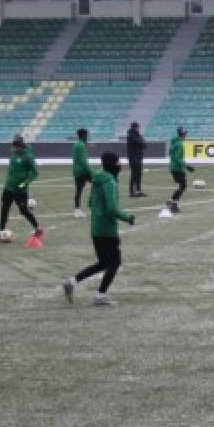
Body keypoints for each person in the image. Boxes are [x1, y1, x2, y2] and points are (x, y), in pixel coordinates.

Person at [63, 151, 135, 306]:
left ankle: (72, 281)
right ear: (112, 165)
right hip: (107, 229)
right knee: (115, 262)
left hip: (96, 227)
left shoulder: (98, 178)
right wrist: (127, 217)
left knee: (104, 263)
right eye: (117, 162)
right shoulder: (109, 181)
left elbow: (90, 202)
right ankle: (100, 295)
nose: (120, 165)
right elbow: (111, 208)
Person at [0, 135, 43, 244]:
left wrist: (24, 183)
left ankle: (38, 228)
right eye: (14, 146)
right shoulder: (12, 153)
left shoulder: (28, 156)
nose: (15, 148)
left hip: (20, 190)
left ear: (22, 145)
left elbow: (35, 173)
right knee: (4, 210)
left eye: (17, 146)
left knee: (24, 210)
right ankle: (0, 232)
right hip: (8, 187)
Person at [167, 126, 194, 213]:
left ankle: (171, 201)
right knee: (183, 186)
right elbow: (178, 158)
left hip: (173, 167)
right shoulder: (179, 145)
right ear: (183, 135)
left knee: (181, 185)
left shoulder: (174, 143)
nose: (185, 136)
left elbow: (173, 155)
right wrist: (187, 166)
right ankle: (173, 204)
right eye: (185, 134)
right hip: (178, 168)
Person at [72, 127, 93, 218]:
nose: (88, 137)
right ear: (84, 136)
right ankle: (79, 209)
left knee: (79, 190)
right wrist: (90, 171)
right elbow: (83, 161)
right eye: (87, 135)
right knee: (97, 184)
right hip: (82, 171)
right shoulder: (81, 146)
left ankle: (78, 209)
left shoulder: (77, 145)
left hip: (78, 170)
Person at [126, 121, 146, 197]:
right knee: (134, 174)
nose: (138, 129)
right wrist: (141, 143)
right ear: (135, 127)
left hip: (138, 157)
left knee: (138, 174)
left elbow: (144, 144)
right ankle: (132, 192)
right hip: (133, 157)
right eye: (138, 127)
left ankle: (138, 190)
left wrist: (142, 143)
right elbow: (140, 143)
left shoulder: (137, 135)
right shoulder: (131, 135)